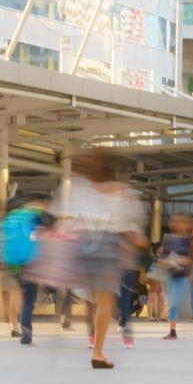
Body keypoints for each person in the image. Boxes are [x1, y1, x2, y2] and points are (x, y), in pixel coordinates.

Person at [62, 151, 144, 368]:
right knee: (105, 301)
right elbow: (130, 228)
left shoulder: (78, 186)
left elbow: (67, 219)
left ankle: (92, 337)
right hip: (108, 244)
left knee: (93, 299)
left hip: (84, 243)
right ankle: (98, 352)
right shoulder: (121, 190)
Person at [0, 194, 49, 345]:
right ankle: (26, 331)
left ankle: (18, 326)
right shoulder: (33, 217)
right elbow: (38, 238)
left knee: (22, 297)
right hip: (29, 263)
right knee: (28, 299)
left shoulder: (11, 217)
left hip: (13, 264)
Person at [158, 214, 193, 340]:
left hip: (183, 276)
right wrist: (166, 261)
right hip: (170, 275)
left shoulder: (190, 240)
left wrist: (181, 260)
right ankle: (172, 331)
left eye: (183, 222)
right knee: (171, 302)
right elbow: (162, 257)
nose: (179, 224)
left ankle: (173, 331)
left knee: (174, 302)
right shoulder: (168, 239)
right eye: (177, 221)